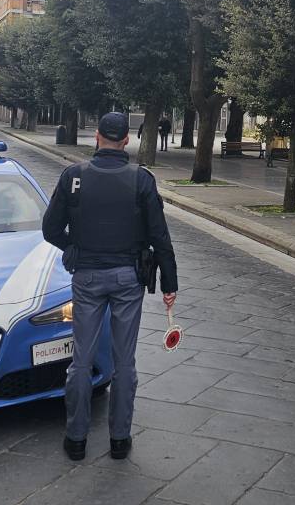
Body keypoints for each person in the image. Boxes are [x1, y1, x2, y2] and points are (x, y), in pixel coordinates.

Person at [42, 112, 178, 462]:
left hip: (86, 276)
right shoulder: (141, 180)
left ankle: (76, 439)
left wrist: (73, 247)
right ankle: (119, 439)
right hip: (128, 277)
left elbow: (50, 228)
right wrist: (169, 283)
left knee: (81, 361)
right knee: (124, 362)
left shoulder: (73, 177)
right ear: (127, 140)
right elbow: (158, 235)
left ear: (98, 137)